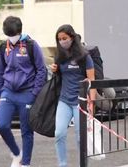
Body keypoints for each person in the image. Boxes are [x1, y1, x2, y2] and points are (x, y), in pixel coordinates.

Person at [0, 16, 47, 167]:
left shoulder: (31, 45)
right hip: (8, 92)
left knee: (26, 131)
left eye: (14, 35)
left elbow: (41, 70)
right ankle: (16, 153)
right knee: (2, 125)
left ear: (20, 31)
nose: (12, 38)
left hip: (27, 93)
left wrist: (34, 93)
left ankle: (25, 163)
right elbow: (0, 71)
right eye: (9, 35)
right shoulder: (3, 47)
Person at [50, 25, 97, 167]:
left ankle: (83, 164)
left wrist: (92, 103)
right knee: (59, 133)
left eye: (64, 38)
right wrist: (54, 70)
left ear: (72, 37)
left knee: (79, 137)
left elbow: (91, 80)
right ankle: (62, 164)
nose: (62, 41)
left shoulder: (84, 56)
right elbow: (58, 76)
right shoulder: (60, 56)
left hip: (80, 102)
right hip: (64, 100)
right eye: (59, 39)